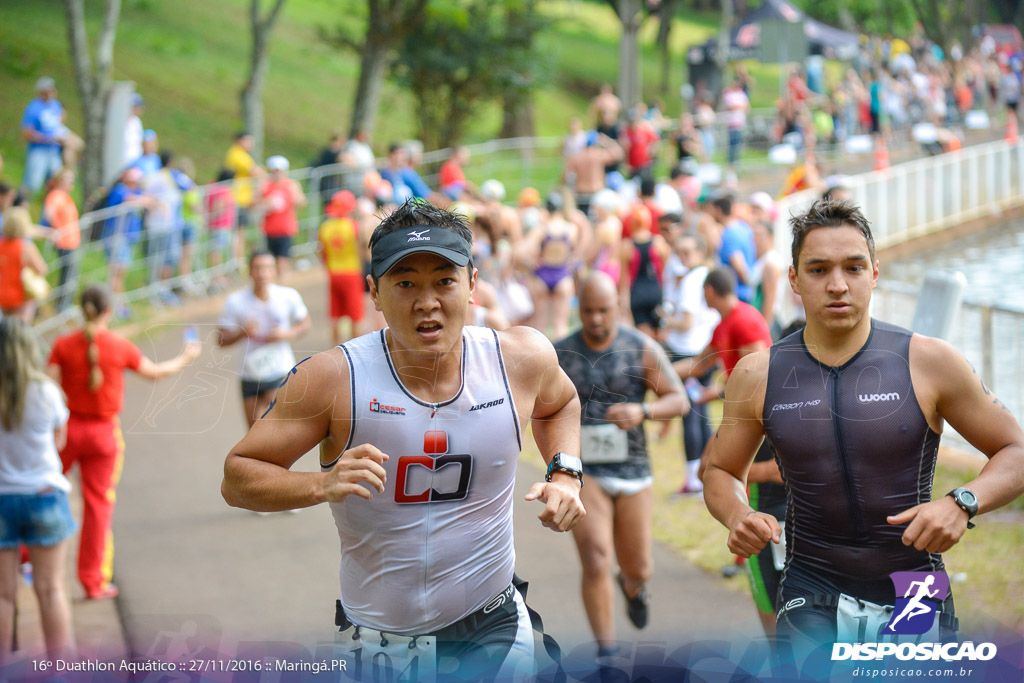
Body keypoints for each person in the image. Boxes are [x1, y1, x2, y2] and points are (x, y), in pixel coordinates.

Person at [221, 199, 586, 681]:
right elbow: (237, 477)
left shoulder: (520, 358)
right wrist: (320, 484)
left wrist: (565, 472)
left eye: (444, 280)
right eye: (405, 282)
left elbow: (561, 402)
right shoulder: (334, 378)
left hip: (492, 622)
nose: (427, 301)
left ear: (473, 284)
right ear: (374, 291)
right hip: (376, 639)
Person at [702, 199, 1024, 653]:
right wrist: (738, 515)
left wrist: (962, 502)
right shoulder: (759, 374)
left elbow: (1015, 450)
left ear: (874, 273)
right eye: (818, 270)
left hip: (915, 586)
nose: (838, 285)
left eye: (853, 268)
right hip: (810, 584)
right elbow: (720, 471)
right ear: (793, 279)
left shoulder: (929, 362)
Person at [555, 272, 687, 660]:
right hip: (585, 469)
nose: (596, 319)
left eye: (604, 311)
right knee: (595, 556)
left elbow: (679, 400)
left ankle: (633, 588)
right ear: (580, 307)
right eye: (589, 311)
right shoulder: (561, 352)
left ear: (618, 305)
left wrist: (643, 409)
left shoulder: (640, 347)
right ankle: (607, 654)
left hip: (632, 470)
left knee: (639, 567)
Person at [47, 284, 200, 599]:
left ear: (81, 309)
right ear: (109, 311)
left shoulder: (63, 345)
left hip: (67, 432)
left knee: (45, 492)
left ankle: (25, 560)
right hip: (103, 435)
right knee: (98, 505)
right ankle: (93, 581)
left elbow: (47, 388)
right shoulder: (119, 346)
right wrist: (186, 357)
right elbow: (156, 372)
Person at [0, 319, 76, 663]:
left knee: (3, 596)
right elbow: (59, 440)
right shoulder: (46, 391)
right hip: (45, 495)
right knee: (51, 589)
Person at [217, 251, 311, 428]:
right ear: (250, 271)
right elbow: (220, 339)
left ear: (275, 270)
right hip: (250, 373)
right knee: (253, 432)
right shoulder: (235, 301)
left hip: (280, 370)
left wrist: (287, 334)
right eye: (258, 268)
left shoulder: (288, 296)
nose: (262, 273)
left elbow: (305, 323)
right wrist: (242, 333)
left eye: (267, 268)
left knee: (276, 428)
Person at [661, 234, 719, 494]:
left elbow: (684, 323)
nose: (682, 257)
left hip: (688, 353)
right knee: (700, 411)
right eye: (679, 252)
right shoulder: (704, 275)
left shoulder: (691, 281)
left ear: (699, 251)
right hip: (704, 350)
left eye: (687, 251)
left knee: (690, 413)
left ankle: (694, 478)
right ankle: (705, 472)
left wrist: (665, 318)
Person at [21, 77, 82, 196]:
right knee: (33, 183)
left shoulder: (56, 105)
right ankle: (21, 204)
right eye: (47, 90)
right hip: (39, 150)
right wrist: (48, 139)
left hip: (54, 150)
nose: (50, 93)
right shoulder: (34, 107)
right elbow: (27, 132)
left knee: (55, 183)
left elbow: (58, 124)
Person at [318, 191, 364, 346]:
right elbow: (360, 250)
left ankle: (335, 346)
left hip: (333, 273)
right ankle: (355, 347)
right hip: (351, 272)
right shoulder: (354, 226)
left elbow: (322, 253)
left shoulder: (325, 227)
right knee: (355, 314)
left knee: (335, 313)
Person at [259, 155, 307, 279]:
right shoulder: (265, 185)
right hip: (269, 229)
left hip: (286, 228)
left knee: (283, 261)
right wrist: (265, 203)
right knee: (271, 263)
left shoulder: (291, 185)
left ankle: (284, 285)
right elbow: (253, 203)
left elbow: (302, 202)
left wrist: (294, 198)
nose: (277, 173)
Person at [42, 168, 81, 312]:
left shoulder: (64, 196)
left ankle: (64, 305)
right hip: (64, 243)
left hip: (71, 242)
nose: (72, 183)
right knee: (68, 274)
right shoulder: (57, 195)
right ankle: (62, 307)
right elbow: (49, 212)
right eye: (68, 179)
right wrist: (59, 230)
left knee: (70, 273)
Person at [0, 207, 47, 323]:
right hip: (20, 295)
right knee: (19, 328)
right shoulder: (26, 248)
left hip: (3, 293)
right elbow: (42, 269)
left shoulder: (1, 246)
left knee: (6, 325)